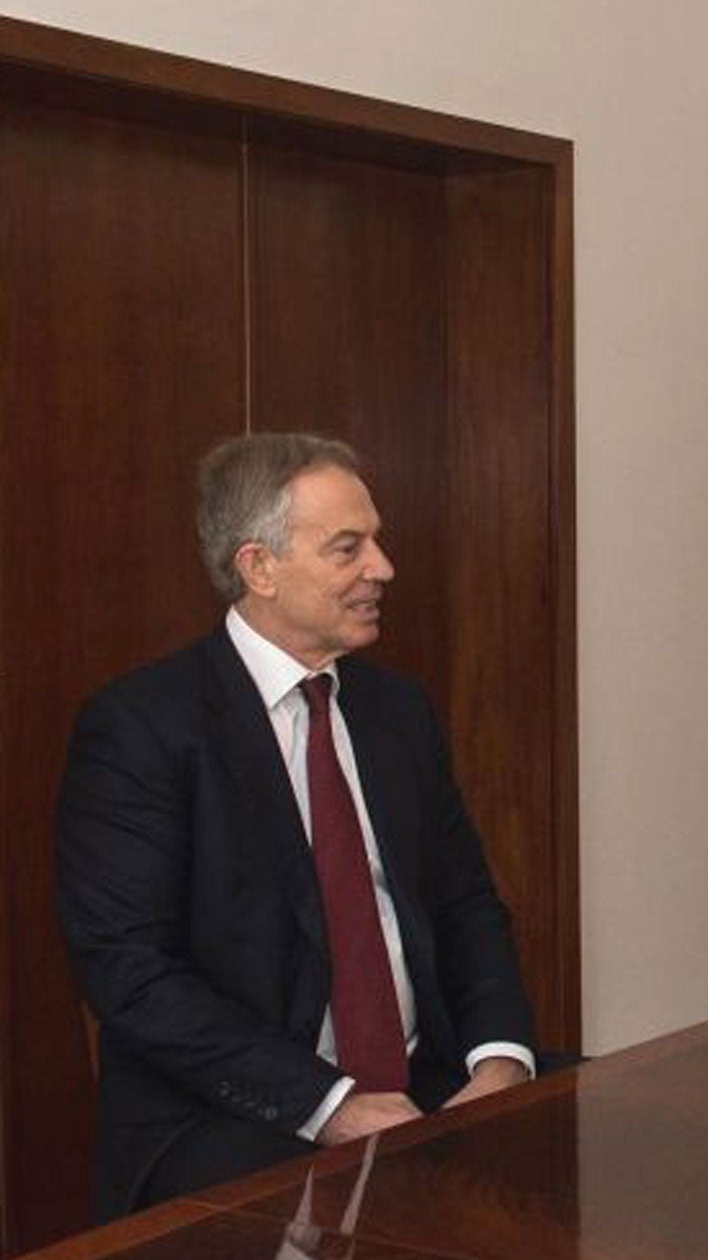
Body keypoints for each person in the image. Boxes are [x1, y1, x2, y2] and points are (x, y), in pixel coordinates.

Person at [58, 432, 535, 1220]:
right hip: (234, 1114)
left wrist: (499, 1060)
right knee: (383, 1239)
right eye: (349, 548)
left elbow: (466, 905)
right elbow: (129, 971)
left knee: (616, 1148)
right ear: (259, 567)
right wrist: (331, 1105)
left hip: (429, 1083)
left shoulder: (398, 711)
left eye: (376, 542)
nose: (383, 568)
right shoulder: (143, 727)